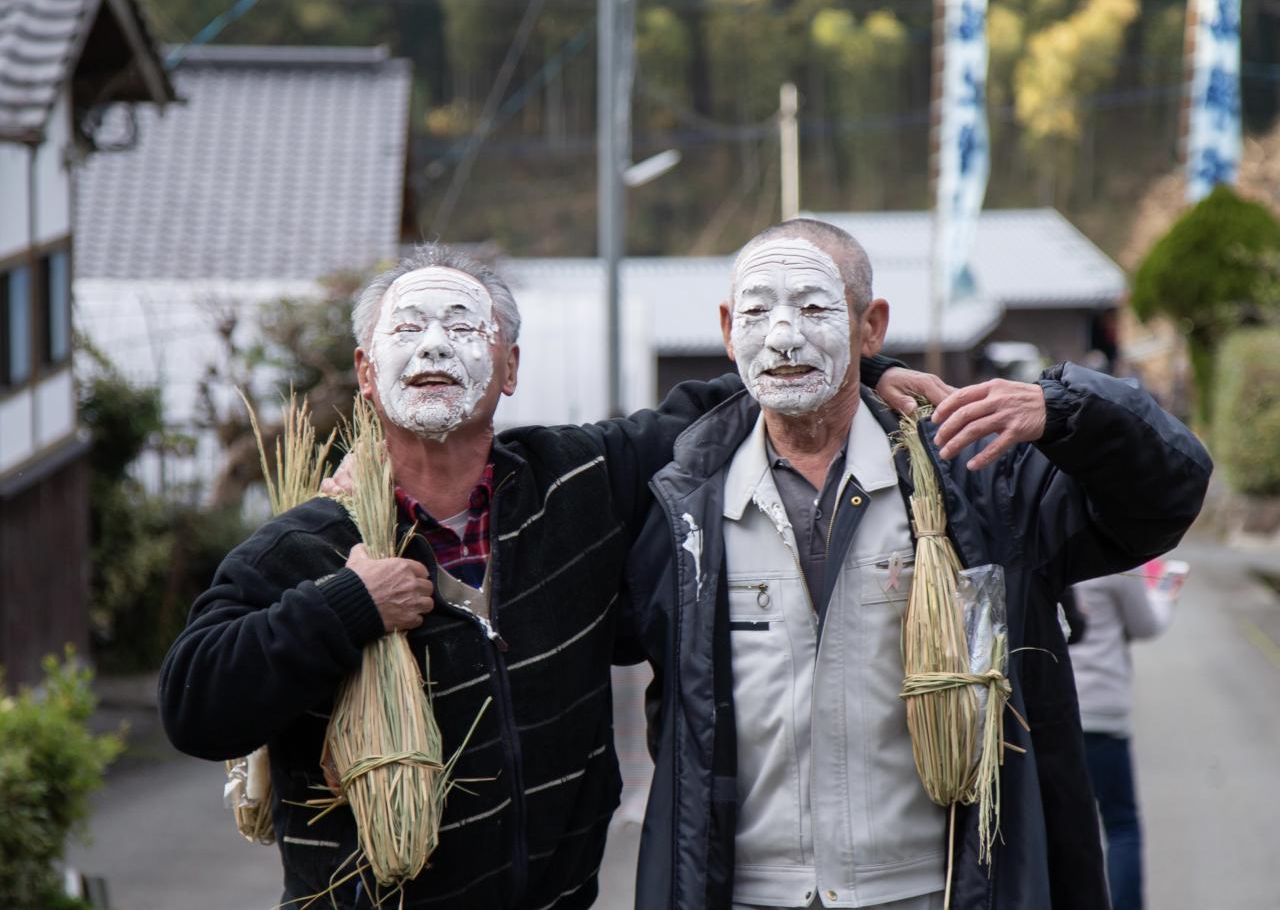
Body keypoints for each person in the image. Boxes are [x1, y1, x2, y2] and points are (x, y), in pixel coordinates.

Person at [157, 244, 942, 910]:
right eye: (408, 329)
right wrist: (346, 607)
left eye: (464, 327)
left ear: (511, 367)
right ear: (367, 373)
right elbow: (193, 703)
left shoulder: (580, 483)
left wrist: (870, 372)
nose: (434, 347)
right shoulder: (310, 546)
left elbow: (736, 398)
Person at [618, 218, 1212, 910]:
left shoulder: (976, 479)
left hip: (933, 890)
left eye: (814, 309)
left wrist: (1068, 409)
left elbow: (1167, 492)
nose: (782, 335)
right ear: (726, 329)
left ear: (870, 327)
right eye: (755, 311)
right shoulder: (679, 502)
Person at [1069, 566, 1181, 910]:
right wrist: (1165, 595)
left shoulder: (1046, 536)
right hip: (1104, 708)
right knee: (1120, 825)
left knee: (1065, 825)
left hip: (1059, 705)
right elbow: (1144, 624)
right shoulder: (1115, 557)